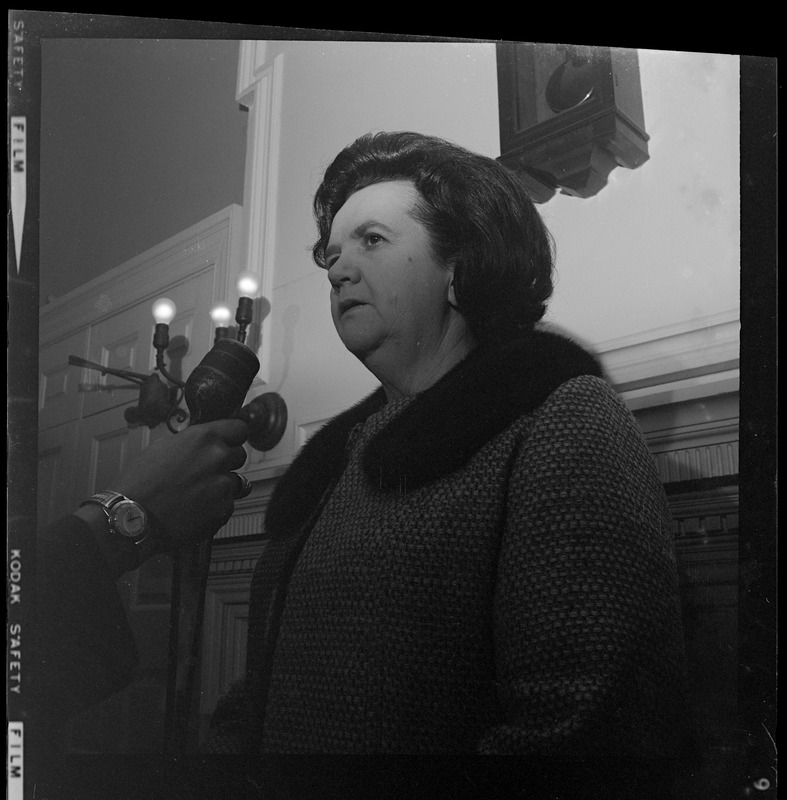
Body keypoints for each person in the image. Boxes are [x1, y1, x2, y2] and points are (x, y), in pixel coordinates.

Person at [34, 131, 693, 796]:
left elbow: (583, 734)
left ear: (459, 263)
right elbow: (260, 695)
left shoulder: (561, 418)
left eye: (372, 241)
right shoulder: (337, 460)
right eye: (332, 256)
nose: (339, 269)